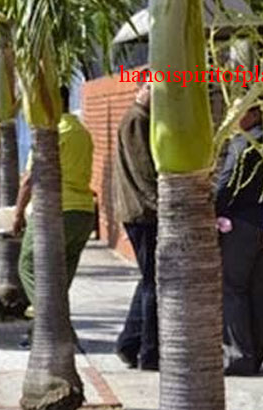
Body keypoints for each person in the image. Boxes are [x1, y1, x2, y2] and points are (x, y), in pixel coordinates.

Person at [13, 86, 96, 346]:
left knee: (27, 266)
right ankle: (45, 330)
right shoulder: (82, 131)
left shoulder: (51, 132)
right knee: (57, 282)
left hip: (57, 212)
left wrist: (17, 215)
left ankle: (55, 326)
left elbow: (29, 179)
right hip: (83, 213)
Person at [215, 106, 263, 375]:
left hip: (241, 226)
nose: (232, 117)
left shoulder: (243, 144)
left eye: (237, 111)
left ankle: (239, 355)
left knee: (233, 289)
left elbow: (227, 184)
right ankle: (256, 355)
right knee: (257, 290)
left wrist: (213, 210)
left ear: (253, 114)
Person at [111, 82, 159, 371]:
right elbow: (144, 172)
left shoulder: (140, 119)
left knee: (149, 279)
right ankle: (149, 351)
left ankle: (130, 343)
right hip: (143, 213)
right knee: (154, 282)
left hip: (141, 211)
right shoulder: (137, 120)